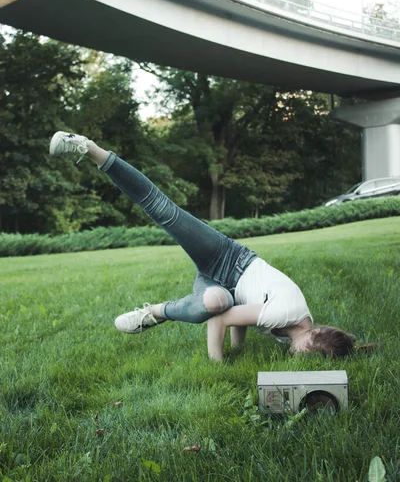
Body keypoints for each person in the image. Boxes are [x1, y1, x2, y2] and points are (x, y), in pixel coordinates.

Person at [49, 131, 358, 361]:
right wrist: (219, 364)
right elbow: (227, 321)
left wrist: (239, 351)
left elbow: (239, 312)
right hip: (228, 258)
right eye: (310, 354)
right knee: (162, 209)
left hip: (223, 288)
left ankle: (154, 313)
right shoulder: (287, 314)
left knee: (213, 304)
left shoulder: (295, 330)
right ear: (314, 335)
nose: (304, 359)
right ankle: (89, 147)